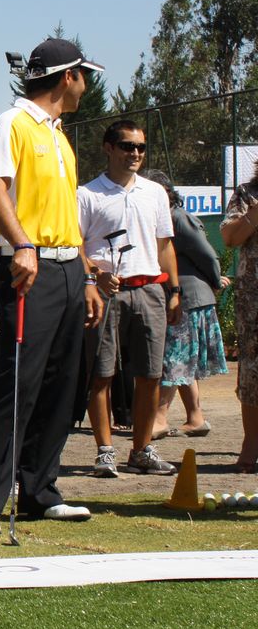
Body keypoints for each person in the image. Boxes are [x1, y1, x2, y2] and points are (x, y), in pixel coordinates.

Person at [0, 38, 103, 535]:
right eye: (84, 74)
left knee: (62, 383)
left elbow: (66, 216)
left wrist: (85, 274)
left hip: (67, 268)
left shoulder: (60, 135)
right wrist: (22, 245)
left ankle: (42, 490)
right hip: (28, 265)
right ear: (68, 77)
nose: (87, 84)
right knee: (17, 381)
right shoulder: (13, 124)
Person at [78, 120, 181, 477]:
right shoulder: (87, 194)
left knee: (151, 375)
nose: (134, 153)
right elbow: (75, 246)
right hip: (107, 294)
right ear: (108, 148)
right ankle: (105, 451)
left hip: (150, 289)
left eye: (140, 147)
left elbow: (164, 244)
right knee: (101, 373)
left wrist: (175, 290)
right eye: (126, 146)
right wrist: (94, 275)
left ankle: (141, 450)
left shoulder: (155, 192)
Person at [145, 169, 225, 439]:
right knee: (182, 360)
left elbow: (207, 254)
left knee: (173, 359)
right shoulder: (159, 218)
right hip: (176, 298)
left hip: (189, 299)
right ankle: (196, 418)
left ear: (166, 193)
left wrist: (215, 281)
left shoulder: (178, 217)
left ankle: (159, 418)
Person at [220, 171, 258, 473]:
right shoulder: (247, 193)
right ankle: (250, 446)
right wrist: (254, 213)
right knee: (252, 371)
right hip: (254, 301)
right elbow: (230, 238)